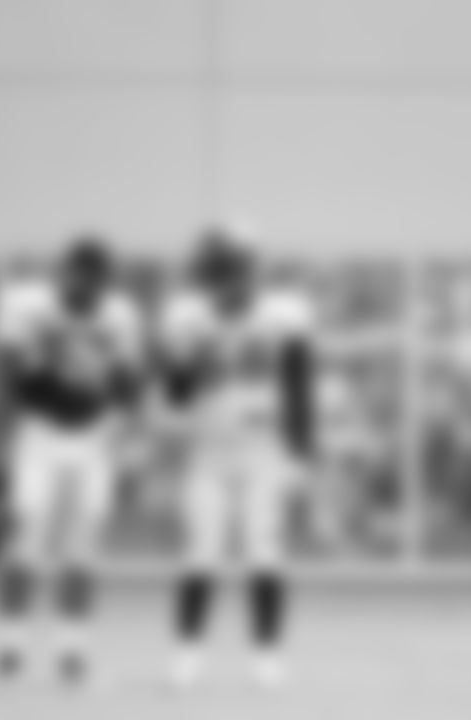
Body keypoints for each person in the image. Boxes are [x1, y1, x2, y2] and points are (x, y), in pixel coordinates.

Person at [152, 226, 319, 688]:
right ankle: (187, 654)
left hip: (263, 447)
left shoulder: (283, 315)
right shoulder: (188, 319)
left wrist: (302, 452)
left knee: (264, 550)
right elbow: (175, 395)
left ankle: (267, 655)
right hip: (209, 448)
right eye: (222, 275)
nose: (234, 284)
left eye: (239, 272)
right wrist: (194, 365)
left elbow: (299, 385)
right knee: (201, 551)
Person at [0, 235, 145, 683]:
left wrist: (130, 433)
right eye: (84, 279)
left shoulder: (119, 314)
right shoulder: (27, 307)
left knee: (82, 548)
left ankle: (73, 647)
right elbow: (3, 374)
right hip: (39, 431)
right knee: (27, 538)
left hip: (94, 435)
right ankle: (9, 642)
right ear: (66, 274)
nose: (91, 291)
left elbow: (129, 381)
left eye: (100, 283)